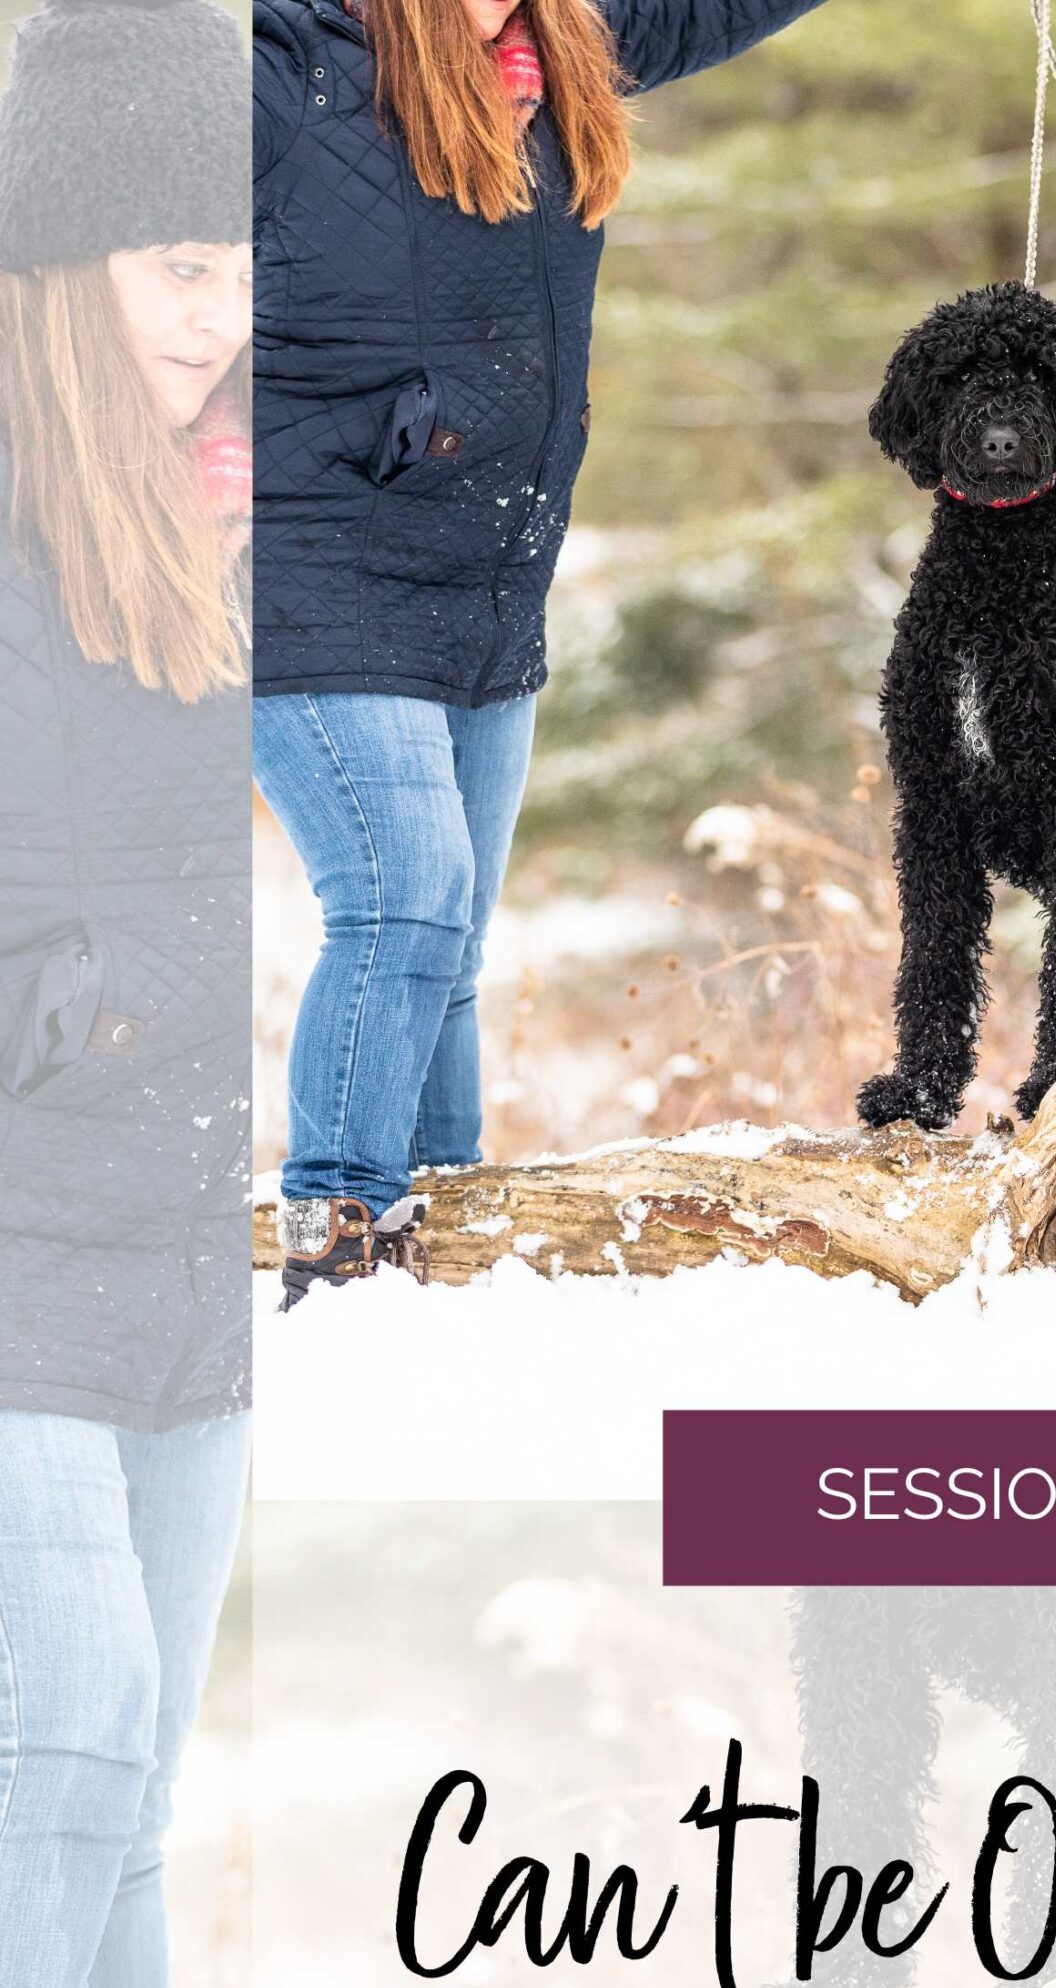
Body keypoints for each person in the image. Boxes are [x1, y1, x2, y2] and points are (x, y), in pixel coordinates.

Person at [253, 0, 827, 1304]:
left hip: (486, 579)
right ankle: (336, 1239)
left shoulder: (570, 39)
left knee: (446, 941)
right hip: (308, 555)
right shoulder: (295, 61)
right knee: (402, 894)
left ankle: (439, 1240)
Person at [0, 0, 253, 1988]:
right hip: (12, 1225)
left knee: (139, 1785)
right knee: (59, 1720)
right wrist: (62, 1008)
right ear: (61, 269)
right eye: (179, 261)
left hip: (178, 1235)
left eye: (243, 262)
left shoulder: (201, 529)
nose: (223, 313)